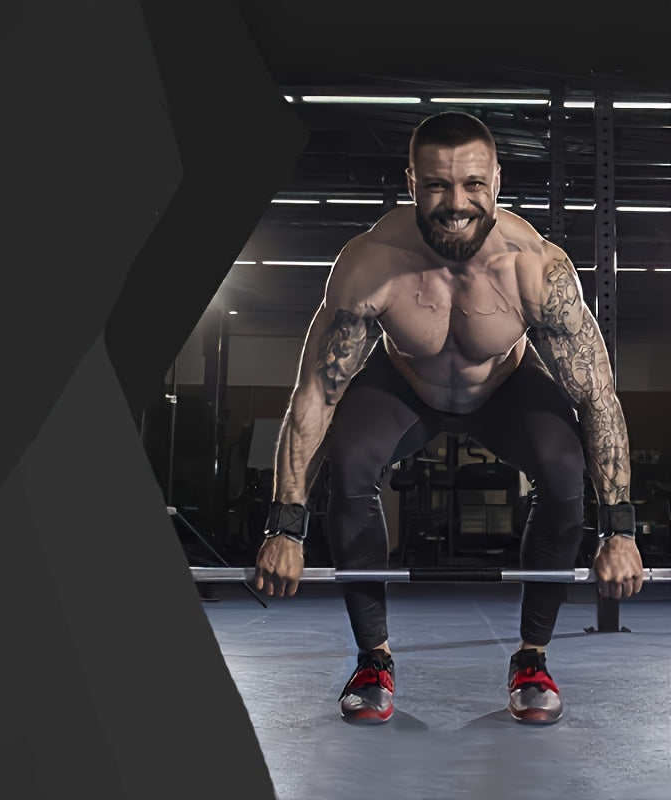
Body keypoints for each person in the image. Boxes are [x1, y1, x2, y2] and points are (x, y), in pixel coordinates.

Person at [253, 111, 644, 726]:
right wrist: (286, 526)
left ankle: (532, 657)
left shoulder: (535, 269)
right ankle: (373, 659)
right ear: (411, 180)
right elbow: (314, 395)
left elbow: (597, 395)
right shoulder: (369, 265)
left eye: (472, 185)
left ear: (497, 178)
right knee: (351, 460)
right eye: (436, 185)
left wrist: (619, 529)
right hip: (405, 387)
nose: (455, 203)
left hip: (504, 389)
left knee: (566, 471)